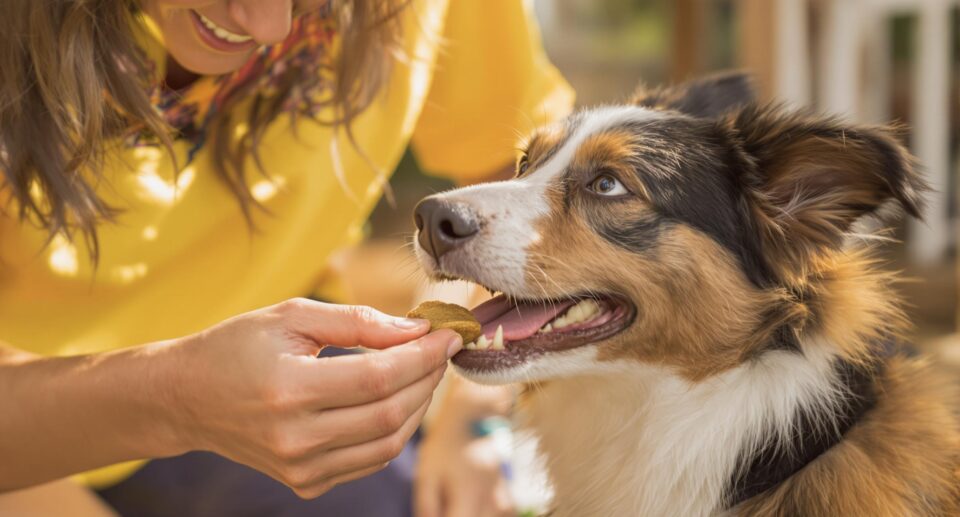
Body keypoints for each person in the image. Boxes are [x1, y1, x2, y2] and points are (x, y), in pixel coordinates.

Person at [0, 0, 574, 516]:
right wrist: (177, 398)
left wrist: (476, 412)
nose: (271, 26)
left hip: (268, 372)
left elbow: (513, 168)